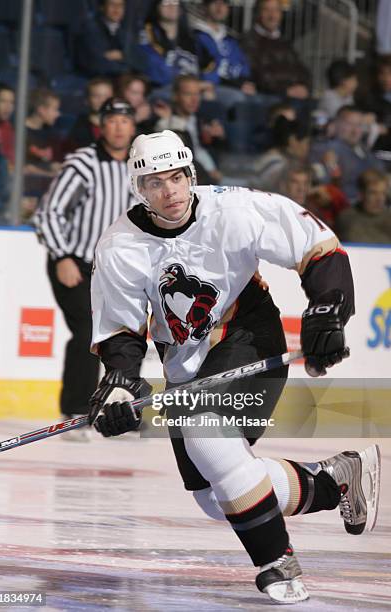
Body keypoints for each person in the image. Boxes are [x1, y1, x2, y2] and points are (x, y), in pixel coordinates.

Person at [87, 129, 380, 603]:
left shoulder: (235, 208)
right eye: (156, 183)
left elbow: (318, 248)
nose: (171, 191)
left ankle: (276, 562)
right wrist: (120, 387)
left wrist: (328, 310)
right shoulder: (119, 246)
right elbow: (121, 332)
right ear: (139, 190)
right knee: (213, 497)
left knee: (206, 435)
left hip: (249, 337)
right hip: (186, 366)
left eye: (178, 177)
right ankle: (334, 481)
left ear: (192, 175)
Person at [34, 99, 136, 441]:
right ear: (101, 125)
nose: (119, 127)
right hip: (75, 263)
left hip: (115, 271)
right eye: (112, 120)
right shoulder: (85, 162)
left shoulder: (140, 169)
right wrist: (61, 255)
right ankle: (74, 412)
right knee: (88, 333)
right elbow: (49, 213)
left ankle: (119, 407)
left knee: (120, 337)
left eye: (125, 120)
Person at [311, 105, 384, 204]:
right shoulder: (323, 149)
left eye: (359, 125)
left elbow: (380, 173)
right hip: (342, 206)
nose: (355, 131)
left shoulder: (364, 150)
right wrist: (329, 167)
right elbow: (321, 184)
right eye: (350, 124)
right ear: (336, 124)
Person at [241, 0, 310, 99]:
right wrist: (285, 91)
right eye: (266, 10)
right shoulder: (248, 41)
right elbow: (256, 74)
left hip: (292, 96)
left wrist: (304, 87)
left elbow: (302, 70)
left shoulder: (285, 42)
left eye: (276, 10)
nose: (272, 16)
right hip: (268, 96)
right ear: (257, 13)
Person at [138, 0, 200, 89]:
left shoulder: (191, 38)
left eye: (175, 2)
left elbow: (206, 64)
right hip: (160, 87)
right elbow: (151, 64)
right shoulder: (146, 33)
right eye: (166, 3)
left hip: (192, 88)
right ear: (157, 7)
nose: (171, 6)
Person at [75, 0, 139, 77]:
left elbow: (141, 60)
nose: (117, 9)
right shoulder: (90, 28)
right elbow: (96, 63)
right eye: (112, 5)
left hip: (122, 76)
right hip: (97, 78)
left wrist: (123, 56)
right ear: (102, 7)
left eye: (121, 5)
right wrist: (126, 60)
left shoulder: (127, 29)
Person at [335, 168, 391, 243]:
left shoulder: (389, 219)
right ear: (361, 194)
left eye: (383, 193)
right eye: (373, 193)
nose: (380, 199)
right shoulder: (347, 219)